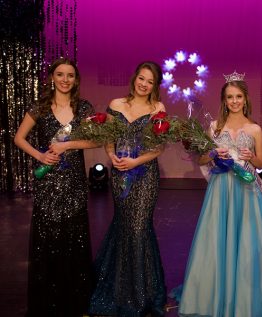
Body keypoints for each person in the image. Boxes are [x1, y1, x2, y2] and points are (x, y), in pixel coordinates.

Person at [177, 73, 262, 316]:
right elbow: (201, 157)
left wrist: (252, 157)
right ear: (224, 100)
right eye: (230, 97)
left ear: (245, 99)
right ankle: (216, 294)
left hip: (245, 188)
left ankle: (242, 296)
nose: (234, 101)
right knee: (217, 238)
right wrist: (213, 155)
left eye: (238, 96)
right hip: (221, 189)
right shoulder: (214, 127)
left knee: (245, 239)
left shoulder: (255, 129)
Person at [14, 57, 97, 316]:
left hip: (74, 182)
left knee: (74, 241)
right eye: (60, 74)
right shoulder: (40, 106)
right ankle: (46, 303)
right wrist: (39, 156)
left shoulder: (84, 108)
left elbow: (95, 142)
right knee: (47, 242)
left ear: (76, 80)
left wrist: (67, 145)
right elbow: (19, 138)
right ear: (52, 77)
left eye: (70, 75)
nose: (64, 79)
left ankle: (75, 302)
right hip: (48, 182)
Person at [89, 61, 167, 316]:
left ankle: (142, 293)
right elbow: (108, 137)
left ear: (155, 85)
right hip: (120, 173)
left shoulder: (158, 108)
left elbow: (159, 148)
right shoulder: (116, 104)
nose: (144, 84)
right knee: (125, 226)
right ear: (135, 78)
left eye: (150, 81)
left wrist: (135, 161)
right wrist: (112, 156)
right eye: (141, 78)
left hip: (145, 174)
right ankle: (122, 289)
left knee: (139, 227)